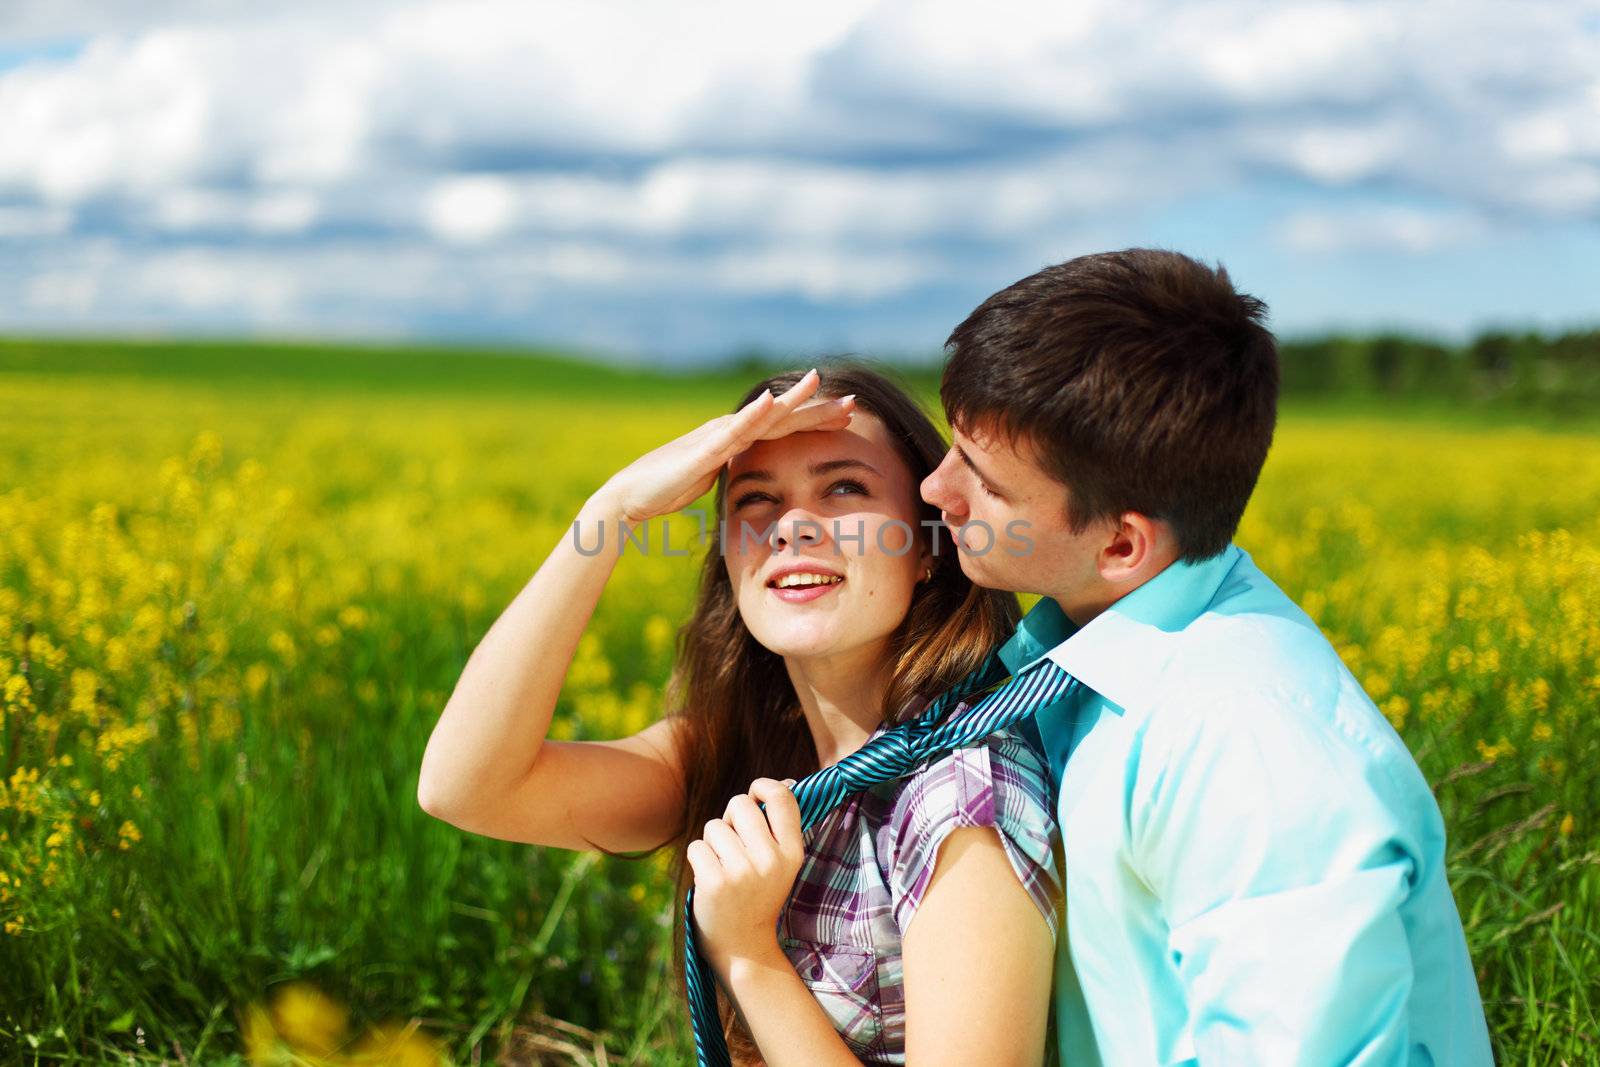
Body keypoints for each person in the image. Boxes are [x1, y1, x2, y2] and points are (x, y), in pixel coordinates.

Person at [918, 247, 1496, 1064]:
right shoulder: (1093, 649)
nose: (934, 491)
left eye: (986, 483)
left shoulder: (1249, 747)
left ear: (1122, 543)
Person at [417, 362, 1063, 1065]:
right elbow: (466, 787)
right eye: (756, 499)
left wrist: (750, 956)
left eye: (844, 488)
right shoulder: (743, 749)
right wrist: (612, 510)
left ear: (928, 549)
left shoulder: (963, 800)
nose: (792, 526)